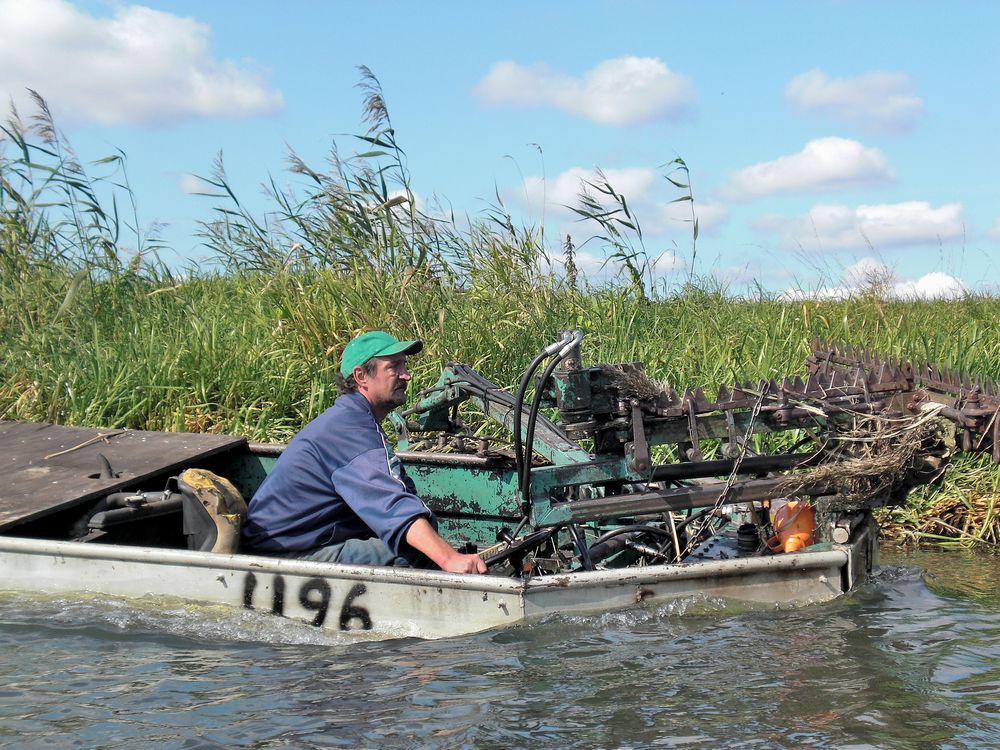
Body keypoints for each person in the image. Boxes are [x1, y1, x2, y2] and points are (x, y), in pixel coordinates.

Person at [242, 331, 487, 574]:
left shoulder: (353, 419)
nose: (406, 375)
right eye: (394, 367)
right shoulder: (350, 430)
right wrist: (448, 558)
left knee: (423, 530)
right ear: (361, 376)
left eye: (404, 365)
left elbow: (400, 495)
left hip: (304, 537)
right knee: (414, 553)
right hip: (282, 553)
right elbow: (391, 505)